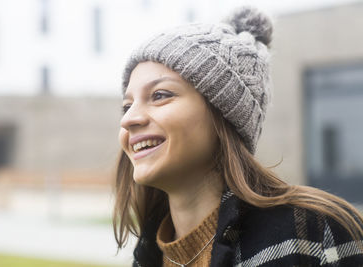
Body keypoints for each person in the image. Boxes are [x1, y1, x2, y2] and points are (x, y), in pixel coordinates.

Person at [113, 6, 363, 267]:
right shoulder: (148, 256)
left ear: (224, 113)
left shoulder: (315, 234)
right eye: (127, 106)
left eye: (160, 95)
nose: (129, 119)